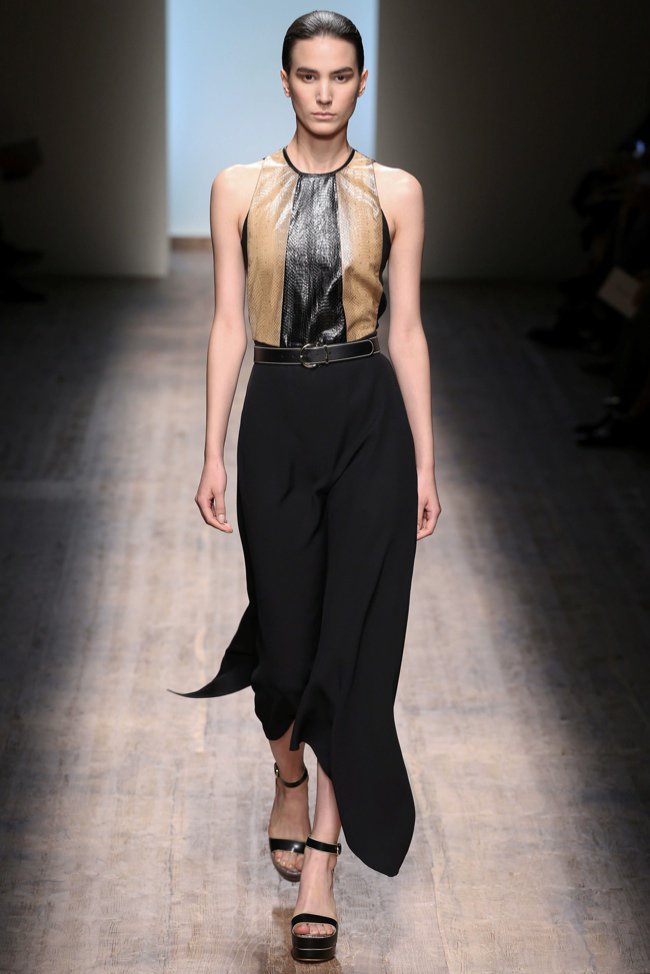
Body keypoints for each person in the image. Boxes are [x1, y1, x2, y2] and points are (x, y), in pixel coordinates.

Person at [169, 9, 441, 963]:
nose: (324, 92)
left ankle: (323, 864)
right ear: (284, 82)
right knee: (286, 644)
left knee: (353, 648)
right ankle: (287, 767)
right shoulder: (236, 187)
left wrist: (426, 459)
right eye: (308, 75)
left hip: (370, 420)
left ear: (362, 82)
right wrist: (212, 450)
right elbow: (226, 325)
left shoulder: (397, 191)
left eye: (340, 75)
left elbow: (407, 329)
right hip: (278, 417)